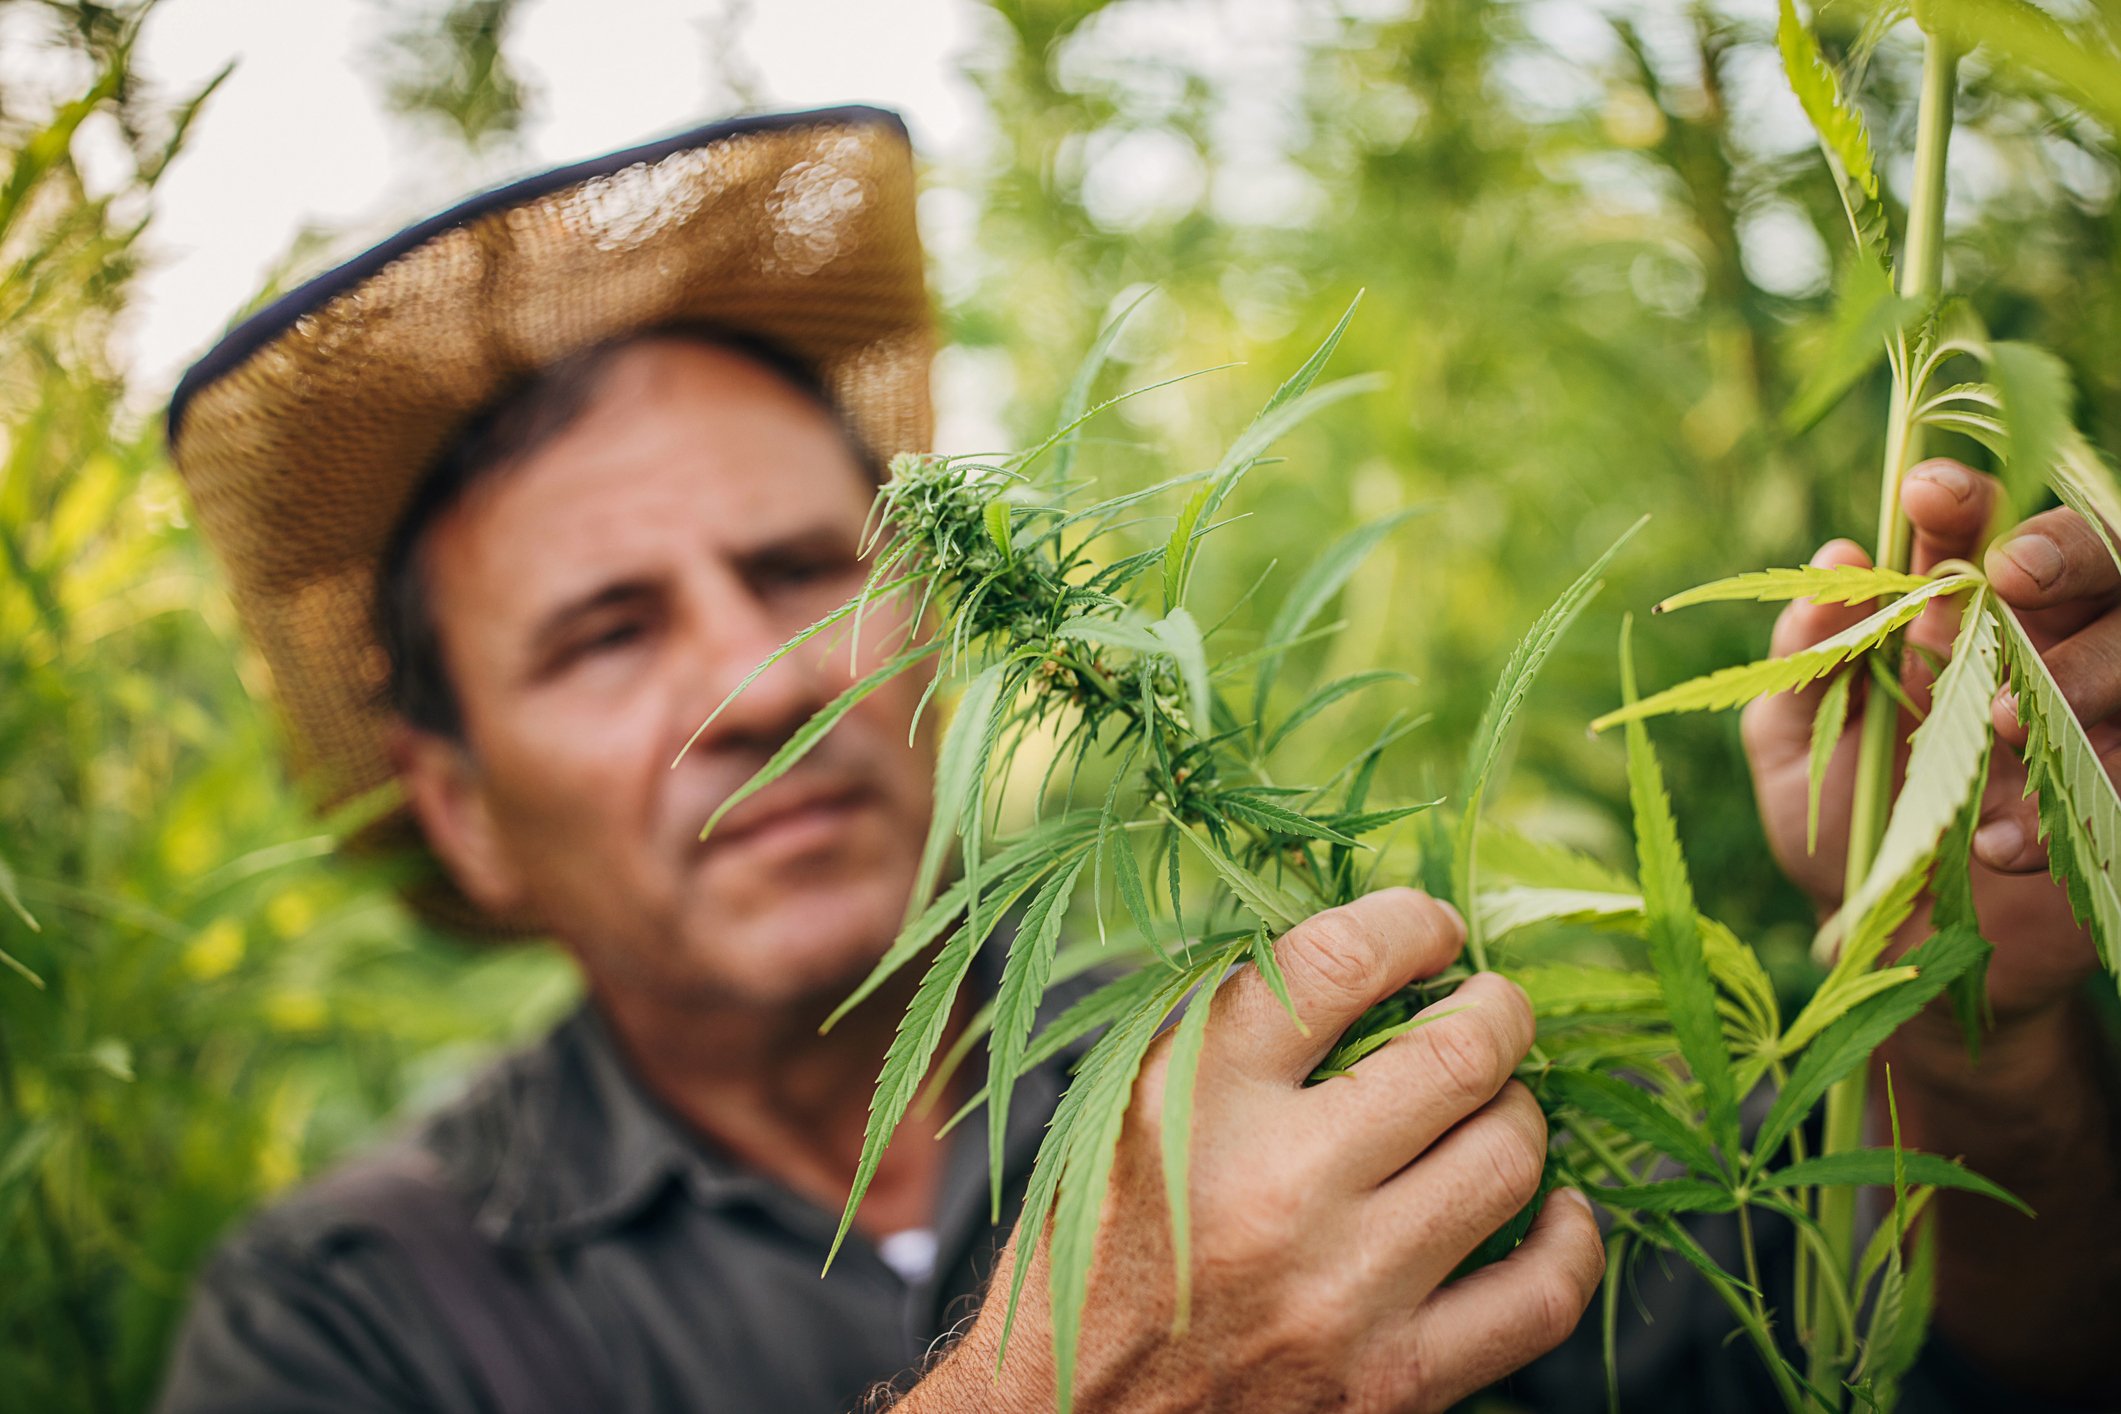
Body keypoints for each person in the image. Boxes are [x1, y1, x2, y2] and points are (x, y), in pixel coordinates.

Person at [154, 107, 2118, 1413]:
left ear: (939, 621)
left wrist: (1952, 1015)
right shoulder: (343, 1315)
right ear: (464, 812)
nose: (760, 680)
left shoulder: (1293, 1052)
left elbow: (1946, 1371)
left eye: (795, 566)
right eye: (603, 630)